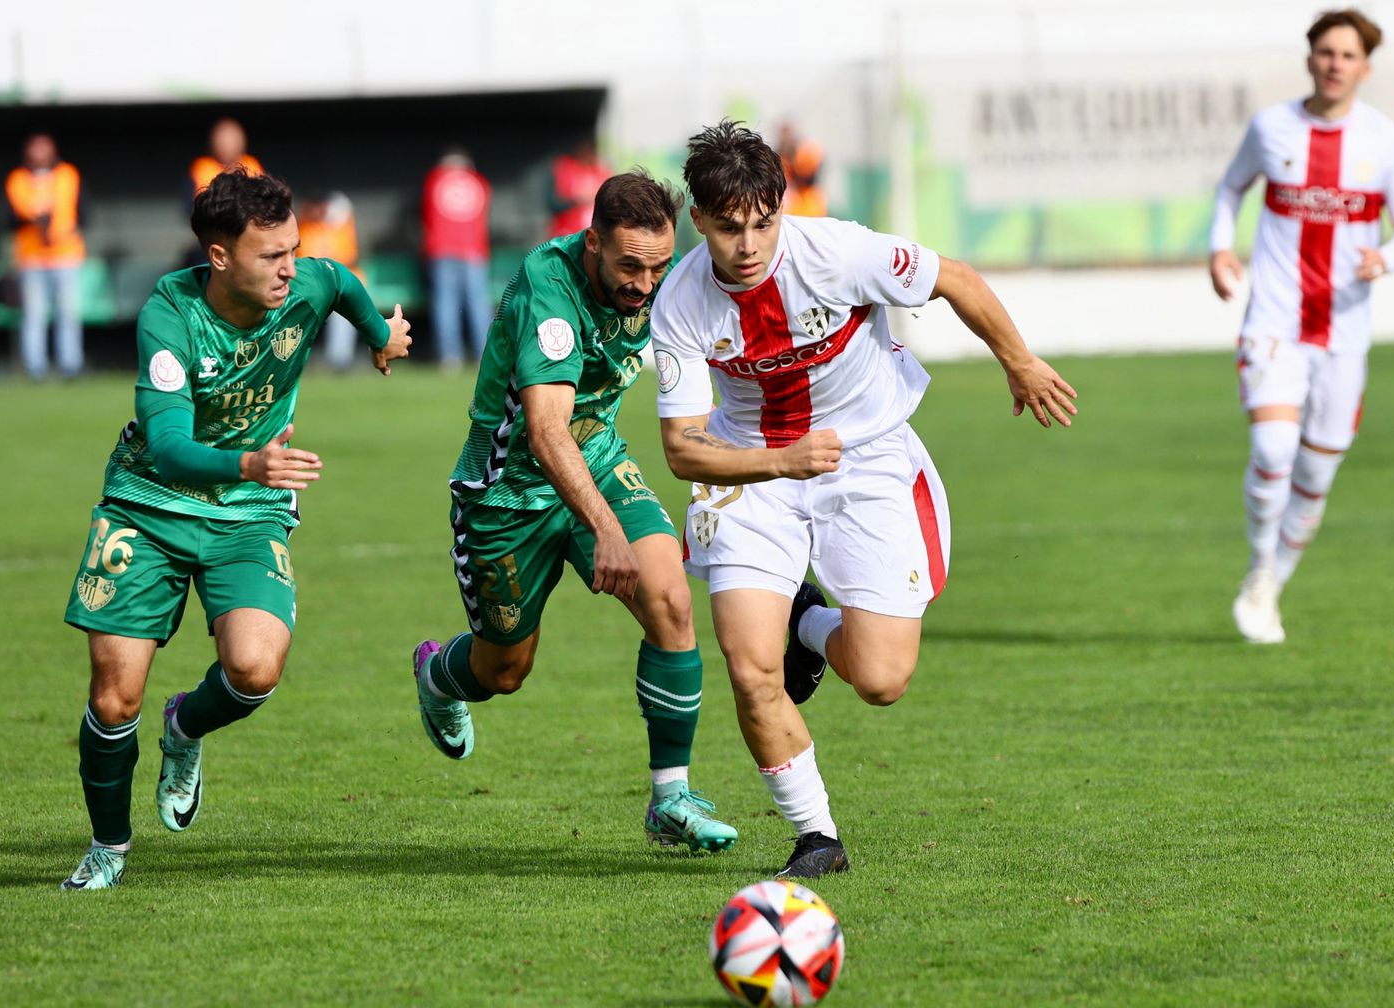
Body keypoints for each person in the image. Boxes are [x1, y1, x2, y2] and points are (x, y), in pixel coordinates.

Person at [651, 120, 1077, 879]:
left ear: (781, 208)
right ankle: (818, 838)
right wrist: (780, 461)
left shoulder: (840, 253)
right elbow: (682, 449)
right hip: (751, 474)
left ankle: (808, 623)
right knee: (751, 669)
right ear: (699, 221)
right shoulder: (681, 302)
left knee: (881, 680)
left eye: (762, 224)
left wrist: (1019, 363)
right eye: (727, 229)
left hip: (869, 461)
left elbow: (957, 280)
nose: (748, 246)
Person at [58, 170, 412, 890]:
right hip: (149, 503)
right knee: (111, 697)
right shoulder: (168, 314)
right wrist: (248, 461)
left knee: (254, 670)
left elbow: (338, 281)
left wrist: (380, 336)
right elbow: (166, 446)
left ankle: (184, 727)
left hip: (248, 510)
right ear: (220, 257)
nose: (290, 268)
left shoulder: (304, 282)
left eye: (292, 249)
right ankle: (108, 848)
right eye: (271, 256)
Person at [411, 171, 738, 855]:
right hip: (507, 493)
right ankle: (438, 674)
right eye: (629, 267)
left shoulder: (665, 274)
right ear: (592, 242)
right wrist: (608, 532)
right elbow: (546, 430)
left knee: (672, 603)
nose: (645, 285)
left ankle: (670, 798)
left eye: (656, 266)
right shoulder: (550, 292)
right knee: (505, 670)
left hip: (601, 460)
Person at [1209, 8, 1394, 644]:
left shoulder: (1384, 141)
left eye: (1348, 55)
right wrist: (1222, 249)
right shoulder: (1272, 127)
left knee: (1316, 476)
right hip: (1274, 322)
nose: (1336, 64)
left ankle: (1274, 581)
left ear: (1366, 67)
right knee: (1274, 450)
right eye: (1326, 52)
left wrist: (1386, 255)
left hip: (1344, 335)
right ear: (1310, 58)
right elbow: (1230, 189)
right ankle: (1257, 571)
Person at [5, 133, 87, 380]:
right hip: (32, 257)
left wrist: (61, 230)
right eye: (35, 148)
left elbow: (83, 213)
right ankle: (35, 368)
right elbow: (10, 218)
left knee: (68, 312)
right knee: (34, 314)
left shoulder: (68, 175)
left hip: (65, 255)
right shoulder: (18, 180)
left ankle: (70, 365)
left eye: (44, 148)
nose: (39, 153)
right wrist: (34, 221)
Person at [421, 149, 493, 368]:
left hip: (442, 250)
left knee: (445, 304)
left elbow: (425, 213)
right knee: (478, 304)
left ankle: (450, 357)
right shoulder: (478, 182)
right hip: (473, 250)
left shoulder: (435, 180)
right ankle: (485, 355)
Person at [297, 189, 364, 371]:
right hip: (311, 286)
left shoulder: (339, 227)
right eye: (313, 206)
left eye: (321, 206)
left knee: (344, 307)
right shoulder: (303, 228)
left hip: (340, 282)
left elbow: (347, 259)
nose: (317, 211)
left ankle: (340, 361)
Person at [546, 139, 611, 239]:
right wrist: (577, 198)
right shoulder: (566, 167)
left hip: (593, 233)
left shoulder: (601, 171)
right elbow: (554, 201)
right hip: (567, 232)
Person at [191, 117, 264, 196]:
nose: (227, 146)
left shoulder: (251, 165)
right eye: (223, 141)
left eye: (232, 140)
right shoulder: (203, 167)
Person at [776, 122, 827, 218]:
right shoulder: (779, 156)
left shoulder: (807, 152)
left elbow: (810, 179)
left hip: (810, 202)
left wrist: (793, 160)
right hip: (792, 203)